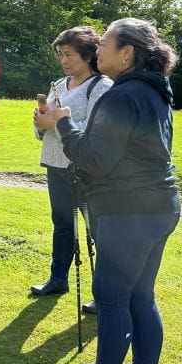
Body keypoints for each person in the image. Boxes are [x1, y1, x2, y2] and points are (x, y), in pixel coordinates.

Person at [51, 18, 180, 364]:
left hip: (128, 210)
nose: (98, 50)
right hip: (157, 206)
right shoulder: (153, 92)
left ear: (127, 53)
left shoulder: (124, 96)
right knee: (140, 295)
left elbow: (96, 159)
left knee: (111, 296)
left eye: (105, 43)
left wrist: (63, 122)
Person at [31, 27, 111, 314]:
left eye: (69, 54)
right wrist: (40, 123)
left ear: (88, 55)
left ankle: (105, 293)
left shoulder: (101, 87)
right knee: (62, 223)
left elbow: (95, 128)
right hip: (55, 163)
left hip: (85, 168)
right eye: (60, 55)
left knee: (98, 231)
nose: (63, 60)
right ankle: (58, 278)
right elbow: (45, 125)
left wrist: (55, 124)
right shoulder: (59, 85)